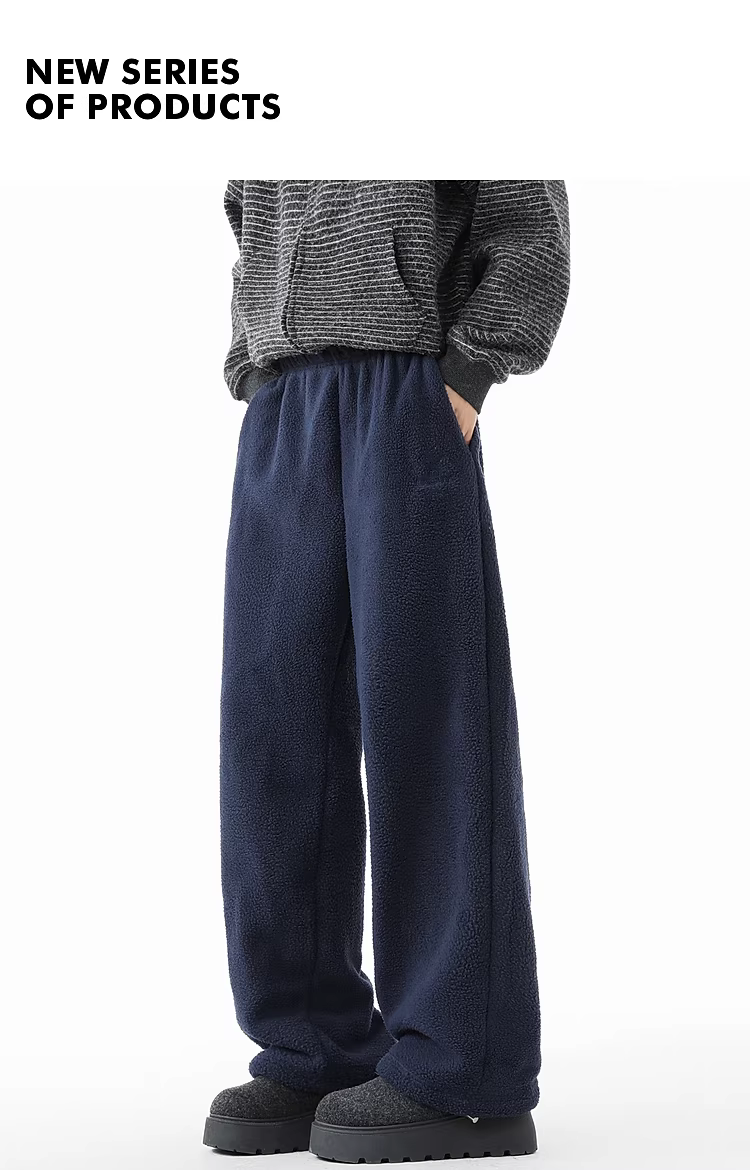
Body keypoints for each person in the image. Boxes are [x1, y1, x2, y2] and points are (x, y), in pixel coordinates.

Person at [203, 181, 570, 1162]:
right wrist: (254, 360)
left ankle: (466, 1071)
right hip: (286, 398)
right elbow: (250, 207)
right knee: (273, 729)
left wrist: (469, 371)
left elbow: (525, 213)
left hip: (407, 388)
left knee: (429, 720)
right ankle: (313, 1041)